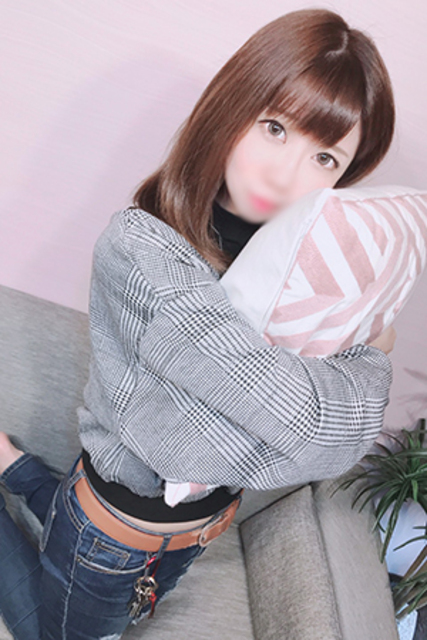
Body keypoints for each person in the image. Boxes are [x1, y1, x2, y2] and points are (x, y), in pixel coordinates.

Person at [0, 8, 396, 640]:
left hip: (196, 534)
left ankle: (15, 469)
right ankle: (15, 479)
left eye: (325, 158)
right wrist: (372, 358)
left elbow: (311, 443)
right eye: (275, 127)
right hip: (109, 537)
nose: (285, 175)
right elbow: (307, 436)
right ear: (232, 105)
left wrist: (291, 414)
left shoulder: (294, 272)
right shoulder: (142, 248)